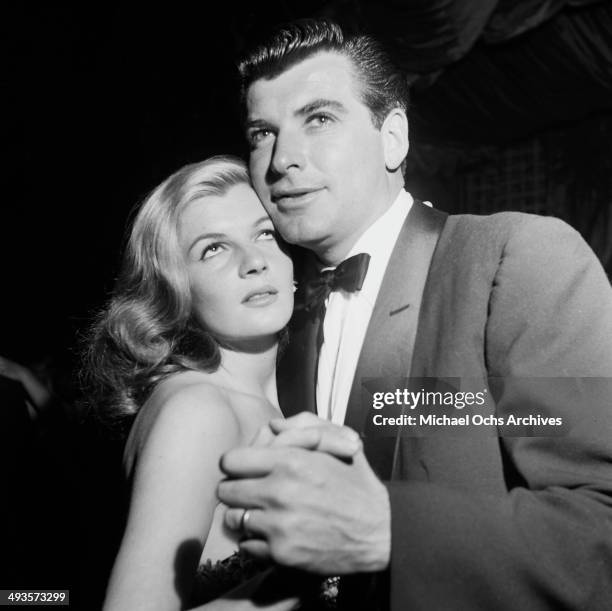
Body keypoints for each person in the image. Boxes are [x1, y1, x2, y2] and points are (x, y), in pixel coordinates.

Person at [217, 19, 612, 610]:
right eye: (261, 134)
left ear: (393, 137)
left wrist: (391, 532)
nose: (282, 160)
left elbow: (600, 525)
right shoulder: (281, 320)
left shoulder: (514, 259)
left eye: (318, 118)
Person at [85, 156, 351, 610]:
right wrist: (307, 585)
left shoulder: (267, 399)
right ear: (175, 289)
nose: (254, 262)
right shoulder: (198, 409)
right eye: (214, 248)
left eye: (264, 234)